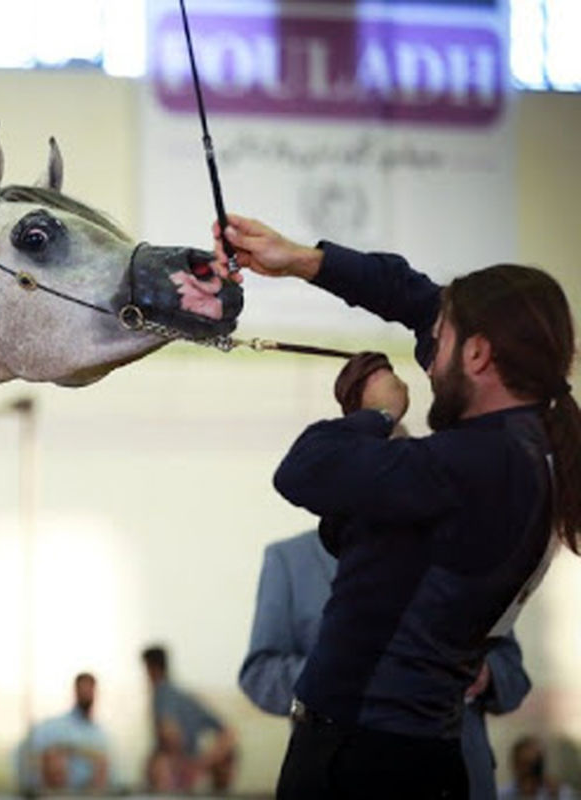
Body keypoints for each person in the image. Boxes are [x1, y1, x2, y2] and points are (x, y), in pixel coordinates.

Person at [212, 214, 580, 799]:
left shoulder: (474, 463)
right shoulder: (527, 447)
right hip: (410, 754)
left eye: (444, 342)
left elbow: (306, 470)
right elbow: (411, 294)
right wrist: (302, 260)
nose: (430, 361)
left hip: (364, 765)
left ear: (480, 354)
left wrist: (375, 415)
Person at [239, 529, 532, 800]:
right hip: (339, 777)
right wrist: (344, 673)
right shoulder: (290, 560)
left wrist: (486, 674)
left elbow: (514, 675)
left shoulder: (468, 555)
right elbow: (259, 674)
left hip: (461, 775)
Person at [141, 645, 237, 794]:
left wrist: (181, 764)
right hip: (190, 772)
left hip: (175, 771)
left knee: (159, 765)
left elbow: (170, 733)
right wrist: (202, 763)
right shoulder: (186, 697)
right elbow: (229, 733)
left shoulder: (161, 693)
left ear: (150, 668)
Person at [15, 672, 111, 793]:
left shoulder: (100, 735)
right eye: (82, 689)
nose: (86, 693)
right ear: (75, 691)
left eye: (90, 689)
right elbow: (25, 753)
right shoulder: (54, 728)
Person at [499, 735, 577, 800]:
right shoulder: (502, 795)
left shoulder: (558, 791)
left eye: (533, 765)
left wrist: (555, 796)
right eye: (524, 764)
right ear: (515, 764)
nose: (528, 771)